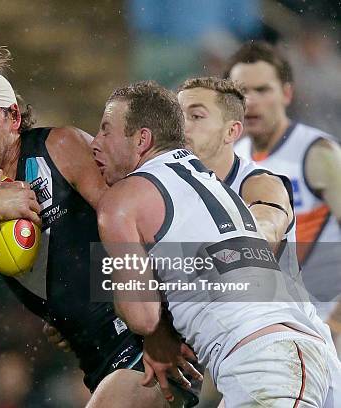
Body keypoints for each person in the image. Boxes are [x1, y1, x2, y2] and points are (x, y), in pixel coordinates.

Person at [0, 46, 200, 407]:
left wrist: (160, 326)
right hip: (94, 361)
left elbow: (144, 230)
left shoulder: (59, 147)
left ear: (13, 118)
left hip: (148, 349)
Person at [92, 80, 339, 407]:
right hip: (304, 355)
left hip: (266, 360)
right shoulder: (214, 183)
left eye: (106, 130)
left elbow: (142, 317)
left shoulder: (123, 200)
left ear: (142, 139)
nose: (95, 143)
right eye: (183, 116)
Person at [177, 76, 338, 406]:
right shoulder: (173, 192)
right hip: (238, 364)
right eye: (177, 116)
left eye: (196, 115)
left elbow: (268, 219)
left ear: (232, 132)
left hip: (288, 357)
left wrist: (255, 236)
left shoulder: (259, 182)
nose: (181, 127)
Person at [226, 41, 341, 352]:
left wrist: (337, 322)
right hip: (271, 324)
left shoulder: (317, 153)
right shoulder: (232, 159)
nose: (250, 102)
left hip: (328, 326)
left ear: (287, 94)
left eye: (263, 90)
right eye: (241, 92)